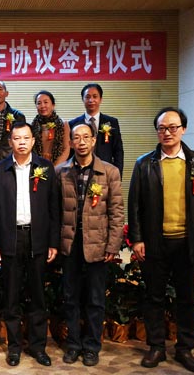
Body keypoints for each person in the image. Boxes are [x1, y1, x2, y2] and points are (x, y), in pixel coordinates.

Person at [128, 107, 194, 373]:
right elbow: (135, 205)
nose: (167, 132)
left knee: (187, 298)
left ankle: (185, 348)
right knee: (154, 297)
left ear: (183, 129)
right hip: (155, 242)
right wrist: (137, 239)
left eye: (173, 127)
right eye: (162, 128)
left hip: (188, 243)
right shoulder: (144, 164)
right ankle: (156, 347)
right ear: (157, 131)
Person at [0, 122, 59, 367]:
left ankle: (38, 347)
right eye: (16, 138)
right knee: (11, 297)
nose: (21, 142)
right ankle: (14, 348)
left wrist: (53, 242)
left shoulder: (45, 168)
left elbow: (54, 208)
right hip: (10, 239)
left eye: (25, 138)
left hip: (37, 238)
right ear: (10, 142)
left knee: (38, 295)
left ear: (33, 141)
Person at [56, 123, 124, 367]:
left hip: (97, 245)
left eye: (86, 137)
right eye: (77, 138)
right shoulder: (61, 172)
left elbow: (117, 211)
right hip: (70, 244)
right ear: (71, 143)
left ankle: (92, 346)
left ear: (94, 140)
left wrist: (113, 245)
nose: (82, 141)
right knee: (70, 297)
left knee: (95, 299)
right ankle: (73, 344)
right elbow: (54, 211)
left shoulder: (109, 172)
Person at [68, 83, 124, 176]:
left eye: (95, 96)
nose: (91, 100)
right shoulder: (73, 124)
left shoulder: (111, 122)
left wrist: (117, 175)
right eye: (87, 97)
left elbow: (118, 151)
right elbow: (70, 152)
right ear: (83, 99)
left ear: (100, 99)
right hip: (80, 172)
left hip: (105, 172)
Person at [31, 90, 70, 166]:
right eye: (39, 103)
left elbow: (66, 149)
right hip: (37, 166)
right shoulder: (32, 126)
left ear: (53, 105)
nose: (42, 106)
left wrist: (55, 167)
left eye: (46, 102)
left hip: (58, 167)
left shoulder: (63, 124)